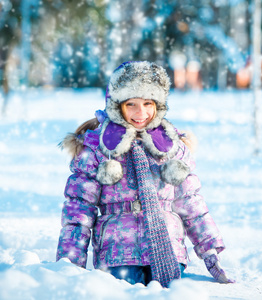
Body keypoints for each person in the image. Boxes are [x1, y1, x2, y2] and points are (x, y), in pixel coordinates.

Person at [56, 61, 235, 287]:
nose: (141, 113)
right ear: (116, 105)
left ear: (158, 105)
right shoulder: (98, 149)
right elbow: (79, 210)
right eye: (131, 103)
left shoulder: (171, 147)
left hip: (168, 252)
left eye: (148, 103)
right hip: (118, 254)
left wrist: (210, 253)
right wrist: (69, 265)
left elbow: (192, 204)